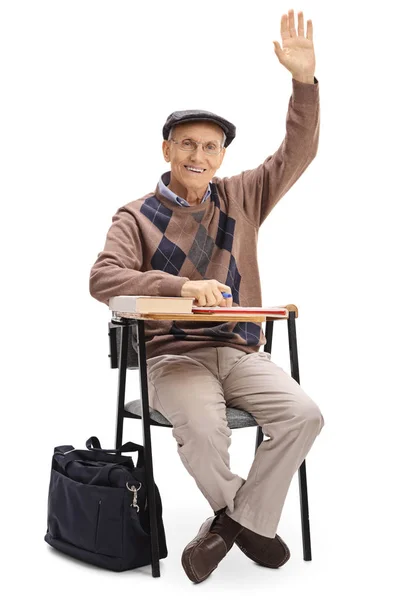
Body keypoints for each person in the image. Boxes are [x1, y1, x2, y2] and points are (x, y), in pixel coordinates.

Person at [89, 9, 324, 584]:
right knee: (203, 427)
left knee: (303, 416)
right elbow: (103, 279)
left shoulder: (242, 197)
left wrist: (303, 83)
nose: (199, 156)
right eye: (187, 144)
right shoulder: (135, 216)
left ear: (221, 156)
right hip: (172, 357)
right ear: (167, 149)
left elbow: (298, 151)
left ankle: (231, 525)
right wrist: (180, 287)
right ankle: (251, 521)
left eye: (211, 147)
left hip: (241, 353)